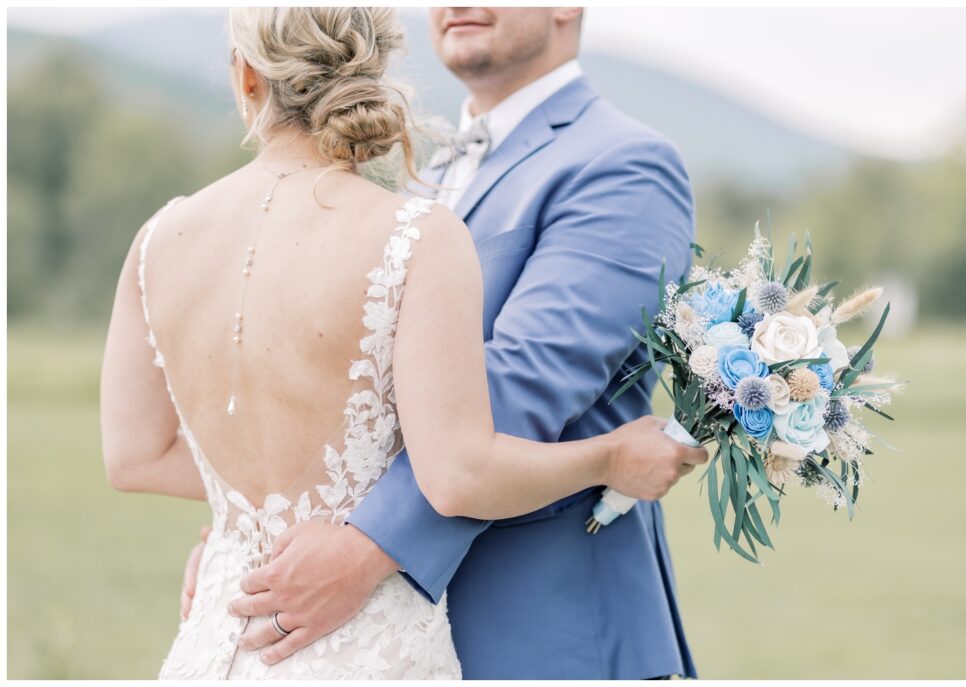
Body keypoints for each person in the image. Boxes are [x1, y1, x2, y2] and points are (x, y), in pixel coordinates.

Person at [100, 7, 706, 680]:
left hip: (539, 626)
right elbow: (412, 437)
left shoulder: (623, 165)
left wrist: (357, 543)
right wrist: (258, 523)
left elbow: (519, 385)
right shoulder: (416, 189)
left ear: (246, 77)